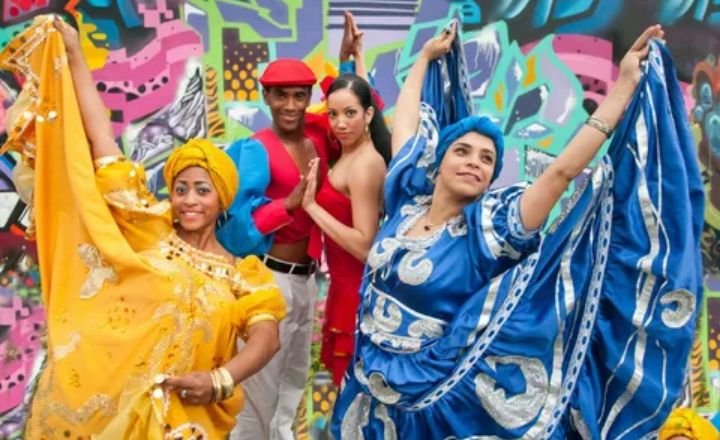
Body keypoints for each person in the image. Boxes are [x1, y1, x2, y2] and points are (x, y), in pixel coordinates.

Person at [330, 20, 704, 439]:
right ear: (438, 164)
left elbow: (562, 171)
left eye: (487, 159)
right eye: (463, 151)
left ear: (490, 179)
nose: (474, 161)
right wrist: (423, 59)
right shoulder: (406, 201)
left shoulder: (488, 230)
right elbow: (404, 125)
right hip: (367, 383)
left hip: (432, 401)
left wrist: (623, 87)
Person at [0, 15, 286, 439]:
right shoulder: (151, 232)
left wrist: (219, 380)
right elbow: (102, 144)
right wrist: (76, 56)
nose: (189, 199)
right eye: (182, 188)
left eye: (202, 191)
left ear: (221, 200)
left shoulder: (244, 276)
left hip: (187, 421)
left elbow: (267, 338)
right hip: (112, 411)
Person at [217, 10, 365, 440]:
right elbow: (235, 231)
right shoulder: (255, 150)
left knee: (292, 383)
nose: (290, 105)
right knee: (257, 389)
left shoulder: (318, 137)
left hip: (306, 283)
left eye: (298, 96)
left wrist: (348, 62)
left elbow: (345, 109)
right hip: (268, 280)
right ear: (267, 98)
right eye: (280, 96)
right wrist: (287, 204)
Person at [303, 68, 391, 386]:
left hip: (356, 291)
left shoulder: (366, 164)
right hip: (344, 289)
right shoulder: (349, 154)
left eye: (350, 113)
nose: (340, 124)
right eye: (333, 114)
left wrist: (312, 207)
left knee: (353, 398)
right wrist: (351, 58)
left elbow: (366, 246)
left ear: (368, 114)